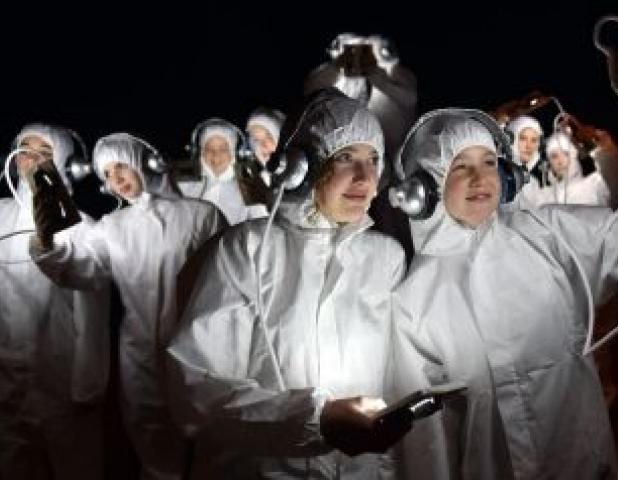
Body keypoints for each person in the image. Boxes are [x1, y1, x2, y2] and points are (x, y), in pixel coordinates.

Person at [167, 90, 409, 479]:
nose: (364, 177)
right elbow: (197, 391)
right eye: (346, 157)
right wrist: (315, 420)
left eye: (373, 160)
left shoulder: (385, 258)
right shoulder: (247, 249)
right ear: (301, 167)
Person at [391, 109, 618, 479]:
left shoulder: (551, 234)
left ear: (507, 175)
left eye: (489, 161)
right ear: (424, 187)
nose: (479, 177)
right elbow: (426, 442)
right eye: (460, 166)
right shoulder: (416, 300)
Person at [30, 133, 227, 479]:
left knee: (210, 453)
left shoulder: (201, 216)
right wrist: (47, 242)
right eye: (107, 174)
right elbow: (82, 269)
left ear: (145, 162)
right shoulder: (113, 227)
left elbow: (226, 286)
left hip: (198, 356)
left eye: (121, 166)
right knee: (153, 456)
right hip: (139, 360)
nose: (116, 179)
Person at [0, 123, 109, 479]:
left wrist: (88, 380)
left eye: (43, 154)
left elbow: (92, 303)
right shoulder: (0, 216)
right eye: (24, 151)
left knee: (74, 462)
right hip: (7, 373)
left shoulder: (81, 227)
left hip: (57, 371)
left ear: (62, 162)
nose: (30, 160)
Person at [179, 119, 267, 225]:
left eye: (223, 149)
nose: (216, 155)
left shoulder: (249, 181)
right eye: (209, 149)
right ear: (201, 152)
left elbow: (264, 224)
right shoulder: (184, 181)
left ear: (233, 152)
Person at [537, 131, 611, 206]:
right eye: (554, 156)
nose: (560, 161)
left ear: (574, 155)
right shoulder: (544, 196)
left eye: (565, 154)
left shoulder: (595, 183)